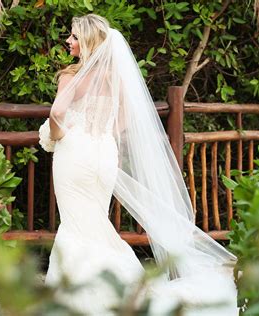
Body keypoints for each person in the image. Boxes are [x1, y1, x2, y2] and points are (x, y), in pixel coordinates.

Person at [38, 14, 239, 315]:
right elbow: (123, 122)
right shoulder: (114, 79)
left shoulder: (72, 76)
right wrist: (101, 137)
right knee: (95, 222)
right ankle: (121, 286)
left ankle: (76, 292)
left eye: (75, 36)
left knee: (76, 223)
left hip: (75, 155)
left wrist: (57, 137)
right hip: (105, 155)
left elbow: (56, 115)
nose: (68, 41)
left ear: (88, 42)